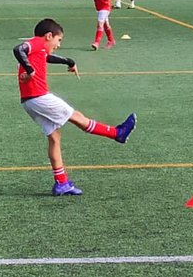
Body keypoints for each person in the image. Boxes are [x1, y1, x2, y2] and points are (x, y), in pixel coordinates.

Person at [13, 18, 136, 196]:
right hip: (39, 97)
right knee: (77, 117)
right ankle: (117, 133)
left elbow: (48, 57)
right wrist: (30, 71)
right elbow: (18, 49)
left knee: (54, 138)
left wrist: (69, 61)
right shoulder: (37, 42)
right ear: (49, 36)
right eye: (59, 40)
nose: (59, 44)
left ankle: (61, 183)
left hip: (29, 101)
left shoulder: (39, 49)